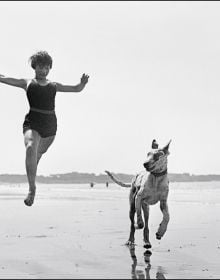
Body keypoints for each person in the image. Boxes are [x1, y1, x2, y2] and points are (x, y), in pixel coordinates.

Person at [0, 50, 89, 206]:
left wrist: (82, 83)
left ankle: (33, 170)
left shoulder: (54, 85)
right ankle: (32, 188)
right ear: (35, 67)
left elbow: (75, 89)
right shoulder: (26, 83)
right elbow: (4, 78)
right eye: (40, 67)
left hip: (49, 125)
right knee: (30, 147)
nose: (44, 70)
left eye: (47, 67)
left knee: (37, 154)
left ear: (50, 68)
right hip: (32, 121)